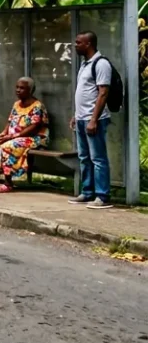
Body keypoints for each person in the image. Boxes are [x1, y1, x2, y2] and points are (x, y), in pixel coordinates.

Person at [0, 77, 48, 192]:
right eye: (17, 87)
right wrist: (4, 133)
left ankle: (8, 183)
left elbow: (34, 127)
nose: (18, 90)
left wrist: (13, 136)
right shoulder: (16, 104)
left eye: (22, 88)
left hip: (33, 138)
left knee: (7, 147)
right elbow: (10, 121)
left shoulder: (37, 106)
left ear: (30, 90)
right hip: (13, 136)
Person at [69, 31, 114, 209]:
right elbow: (84, 93)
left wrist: (93, 119)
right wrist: (77, 115)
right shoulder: (84, 64)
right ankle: (87, 192)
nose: (75, 45)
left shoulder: (101, 64)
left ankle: (102, 195)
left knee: (98, 158)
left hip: (94, 119)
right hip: (82, 118)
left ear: (88, 44)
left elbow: (103, 92)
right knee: (84, 157)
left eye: (78, 42)